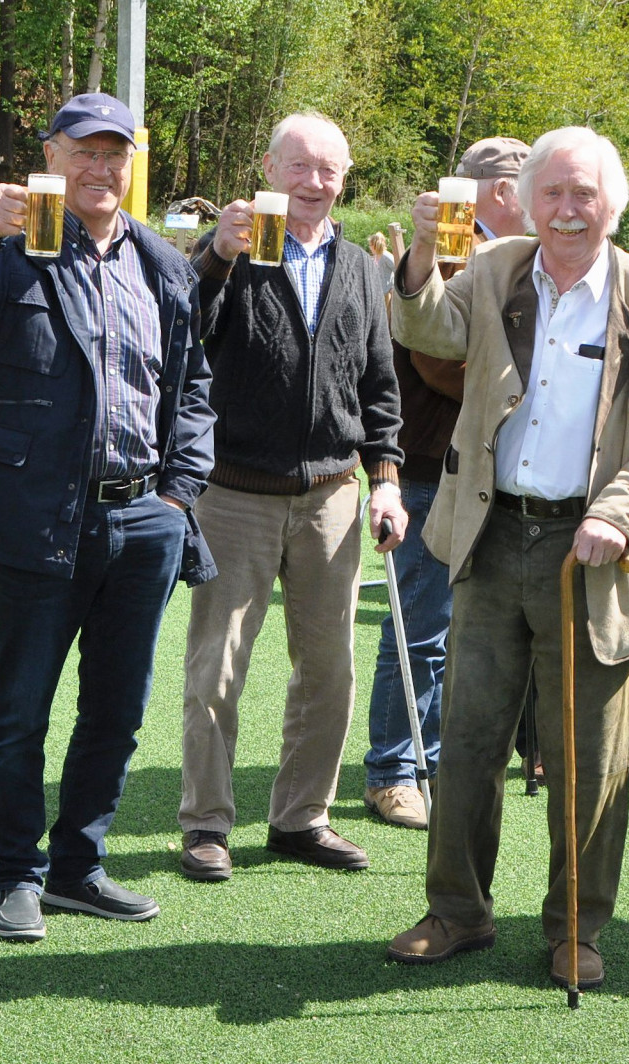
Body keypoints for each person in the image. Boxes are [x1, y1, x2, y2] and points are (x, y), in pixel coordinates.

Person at [384, 127, 629, 991]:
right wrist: (421, 253)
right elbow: (428, 329)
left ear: (614, 205)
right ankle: (456, 912)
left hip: (593, 553)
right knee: (467, 743)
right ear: (525, 202)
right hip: (490, 537)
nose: (567, 211)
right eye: (552, 194)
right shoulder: (494, 268)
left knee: (588, 756)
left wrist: (618, 512)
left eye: (584, 194)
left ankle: (575, 928)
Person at [0, 92, 216, 941]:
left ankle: (80, 866)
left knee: (116, 712)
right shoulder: (14, 250)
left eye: (115, 153)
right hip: (41, 517)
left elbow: (191, 386)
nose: (100, 167)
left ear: (131, 164)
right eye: (84, 151)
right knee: (21, 710)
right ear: (51, 157)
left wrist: (178, 494)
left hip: (144, 520)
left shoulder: (163, 263)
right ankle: (17, 872)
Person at [177, 112, 406, 881]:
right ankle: (206, 823)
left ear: (345, 177)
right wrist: (217, 254)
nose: (314, 183)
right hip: (234, 493)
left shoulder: (360, 267)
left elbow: (378, 386)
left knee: (328, 670)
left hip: (330, 497)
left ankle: (302, 818)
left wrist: (385, 482)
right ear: (269, 168)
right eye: (299, 166)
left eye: (328, 170)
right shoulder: (231, 251)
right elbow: (184, 329)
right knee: (217, 668)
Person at [360, 135, 531, 831]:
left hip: (484, 472)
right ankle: (393, 771)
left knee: (464, 632)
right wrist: (536, 391)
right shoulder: (459, 250)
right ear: (504, 190)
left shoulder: (518, 256)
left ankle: (434, 757)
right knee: (422, 631)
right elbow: (438, 363)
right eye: (536, 185)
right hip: (432, 466)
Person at [368, 231, 394, 295]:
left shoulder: (386, 256)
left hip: (386, 291)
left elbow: (398, 270)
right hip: (379, 290)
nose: (369, 247)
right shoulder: (376, 255)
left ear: (375, 245)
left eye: (370, 245)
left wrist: (394, 288)